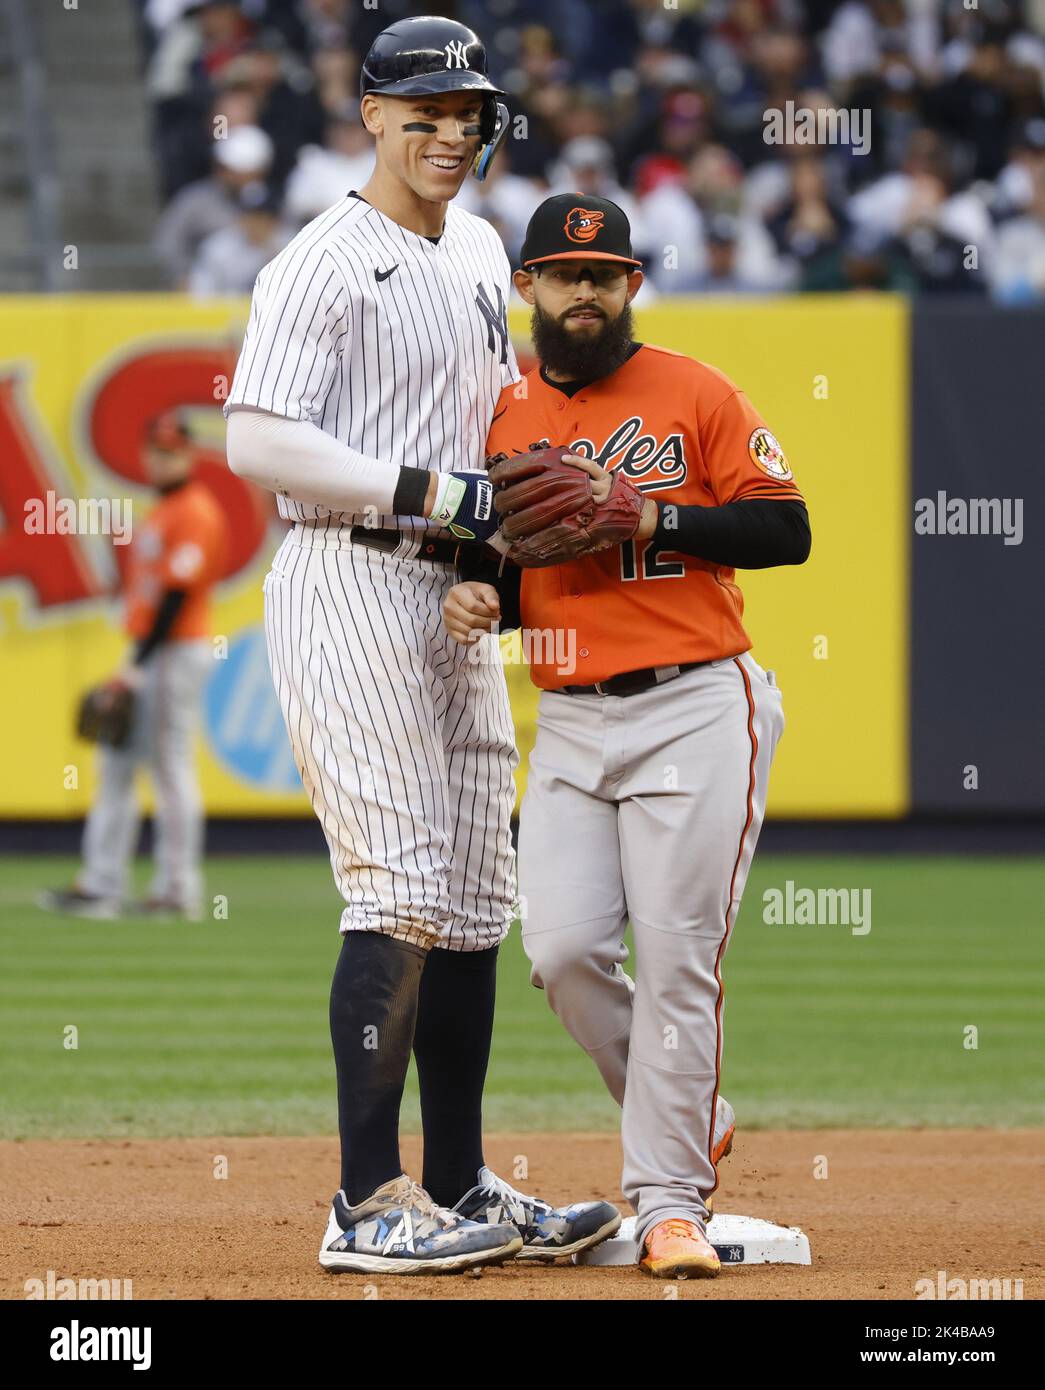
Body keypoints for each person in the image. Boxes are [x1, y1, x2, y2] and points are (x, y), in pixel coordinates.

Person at [223, 16, 619, 1276]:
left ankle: (456, 1183)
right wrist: (439, 500)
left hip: (446, 594)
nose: (451, 133)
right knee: (394, 886)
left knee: (470, 903)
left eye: (469, 115)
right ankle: (362, 1201)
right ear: (373, 116)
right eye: (426, 112)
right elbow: (257, 442)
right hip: (346, 582)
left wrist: (478, 555)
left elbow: (489, 450)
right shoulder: (321, 263)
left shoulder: (484, 248)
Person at [443, 192, 812, 1279]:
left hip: (699, 702)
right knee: (558, 952)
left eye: (605, 275)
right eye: (565, 274)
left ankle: (668, 1206)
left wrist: (655, 513)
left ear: (632, 284)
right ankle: (693, 1110)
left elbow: (785, 527)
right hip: (570, 711)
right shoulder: (500, 408)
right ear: (530, 289)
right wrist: (483, 594)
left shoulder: (694, 390)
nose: (586, 291)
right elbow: (509, 555)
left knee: (680, 961)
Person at [42, 412, 228, 922]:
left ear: (188, 455)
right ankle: (101, 884)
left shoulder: (195, 511)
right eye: (155, 449)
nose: (159, 458)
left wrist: (135, 667)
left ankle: (178, 888)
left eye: (170, 451)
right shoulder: (164, 510)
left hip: (173, 651)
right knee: (118, 765)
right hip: (151, 650)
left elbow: (173, 598)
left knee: (169, 768)